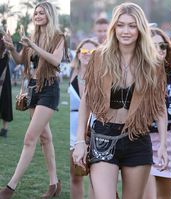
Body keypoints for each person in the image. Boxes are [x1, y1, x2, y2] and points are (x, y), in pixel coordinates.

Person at [73, 2, 168, 199]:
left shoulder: (153, 63)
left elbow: (159, 107)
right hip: (103, 137)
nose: (126, 31)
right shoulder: (100, 57)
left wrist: (163, 147)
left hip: (136, 137)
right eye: (121, 25)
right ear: (113, 27)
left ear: (140, 29)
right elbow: (87, 101)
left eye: (132, 25)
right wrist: (81, 140)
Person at [0, 2, 68, 198]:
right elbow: (21, 61)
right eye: (35, 13)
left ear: (49, 14)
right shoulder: (32, 37)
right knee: (44, 138)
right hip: (33, 89)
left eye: (41, 12)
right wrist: (13, 49)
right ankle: (54, 184)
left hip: (49, 89)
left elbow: (55, 61)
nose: (37, 15)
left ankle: (10, 187)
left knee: (30, 138)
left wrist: (33, 45)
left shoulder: (58, 37)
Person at [143, 27, 171, 199]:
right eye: (153, 46)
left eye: (162, 46)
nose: (159, 50)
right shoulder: (139, 73)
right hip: (144, 140)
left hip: (166, 140)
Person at [69, 39, 98, 199]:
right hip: (73, 132)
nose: (87, 55)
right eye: (84, 51)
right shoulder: (70, 74)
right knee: (76, 175)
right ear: (79, 54)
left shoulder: (102, 76)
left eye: (92, 52)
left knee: (96, 179)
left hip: (96, 131)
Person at [0, 28, 13, 138]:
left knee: (5, 100)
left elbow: (5, 59)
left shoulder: (4, 41)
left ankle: (4, 129)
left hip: (3, 73)